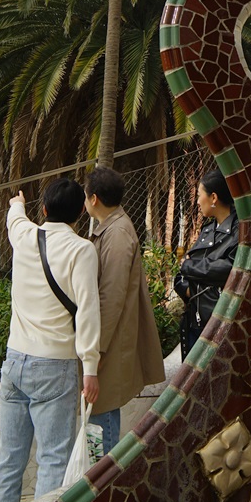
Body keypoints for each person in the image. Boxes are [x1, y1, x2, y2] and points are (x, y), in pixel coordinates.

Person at [0, 180, 100, 502]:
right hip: (54, 365)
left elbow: (14, 217)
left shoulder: (25, 236)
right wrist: (91, 368)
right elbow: (87, 311)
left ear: (45, 210)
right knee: (52, 459)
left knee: (8, 462)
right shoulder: (81, 251)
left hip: (14, 361)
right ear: (81, 213)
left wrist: (17, 203)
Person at [84, 167, 166, 455]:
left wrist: (97, 351)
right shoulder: (111, 227)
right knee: (99, 418)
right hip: (110, 342)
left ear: (93, 199)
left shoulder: (116, 233)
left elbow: (112, 296)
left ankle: (102, 491)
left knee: (101, 418)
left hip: (111, 344)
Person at [174, 168, 239, 360]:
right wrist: (190, 287)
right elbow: (181, 274)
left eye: (200, 195)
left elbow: (229, 269)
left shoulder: (239, 230)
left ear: (213, 198)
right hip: (195, 321)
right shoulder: (207, 229)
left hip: (218, 324)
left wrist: (189, 268)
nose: (197, 201)